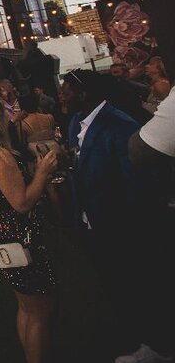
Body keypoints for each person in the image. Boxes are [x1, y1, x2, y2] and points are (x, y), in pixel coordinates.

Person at [61, 69, 170, 363]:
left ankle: (157, 344)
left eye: (66, 89)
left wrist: (133, 224)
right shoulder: (74, 123)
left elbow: (137, 179)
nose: (61, 94)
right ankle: (140, 339)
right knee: (114, 285)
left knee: (139, 285)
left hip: (121, 223)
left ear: (83, 94)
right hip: (91, 220)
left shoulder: (118, 123)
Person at [0, 91, 58, 363]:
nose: (11, 113)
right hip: (18, 238)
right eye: (5, 109)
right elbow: (22, 202)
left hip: (1, 236)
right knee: (40, 310)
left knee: (26, 308)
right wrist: (42, 173)